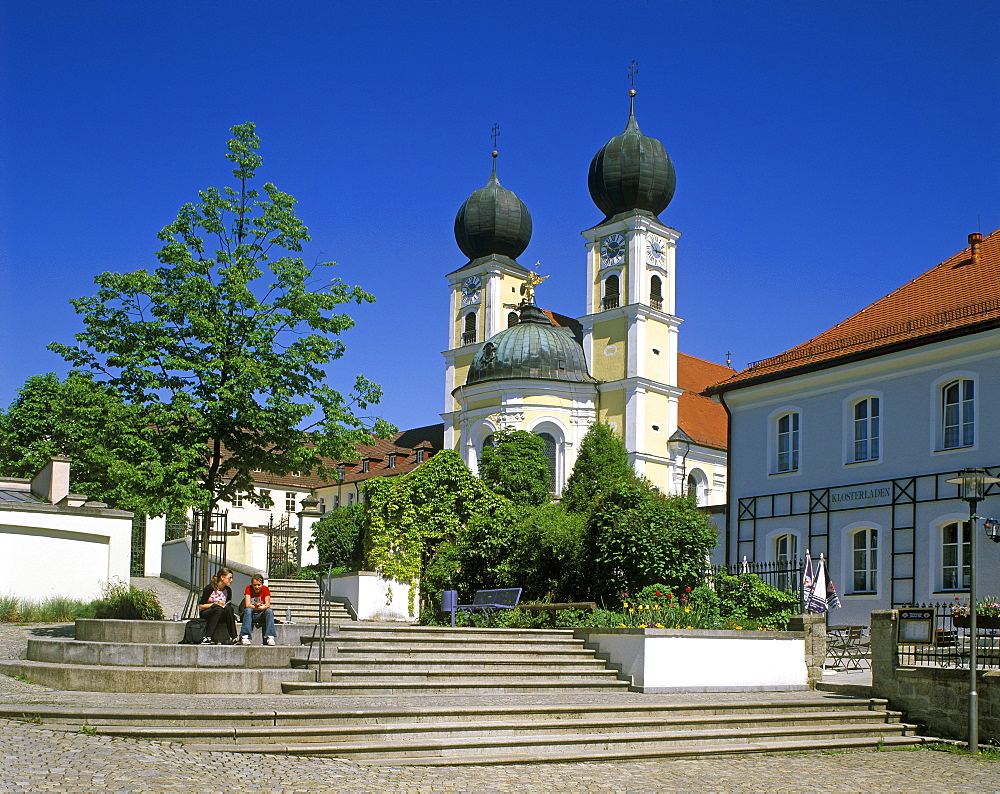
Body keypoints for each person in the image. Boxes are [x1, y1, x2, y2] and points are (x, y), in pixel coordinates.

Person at [198, 567, 237, 644]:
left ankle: (234, 637)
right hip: (208, 612)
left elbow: (228, 604)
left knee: (228, 609)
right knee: (218, 609)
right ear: (222, 577)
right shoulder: (210, 588)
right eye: (229, 578)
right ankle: (207, 636)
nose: (231, 580)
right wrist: (214, 604)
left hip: (221, 613)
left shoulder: (228, 590)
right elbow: (200, 606)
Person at [239, 573, 277, 646]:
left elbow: (267, 605)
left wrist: (260, 606)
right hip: (250, 614)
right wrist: (259, 607)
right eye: (255, 585)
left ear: (262, 584)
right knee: (248, 610)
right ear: (252, 584)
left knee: (269, 611)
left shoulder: (265, 589)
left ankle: (270, 637)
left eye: (259, 585)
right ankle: (245, 636)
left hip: (260, 614)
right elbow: (247, 604)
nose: (257, 587)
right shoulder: (248, 588)